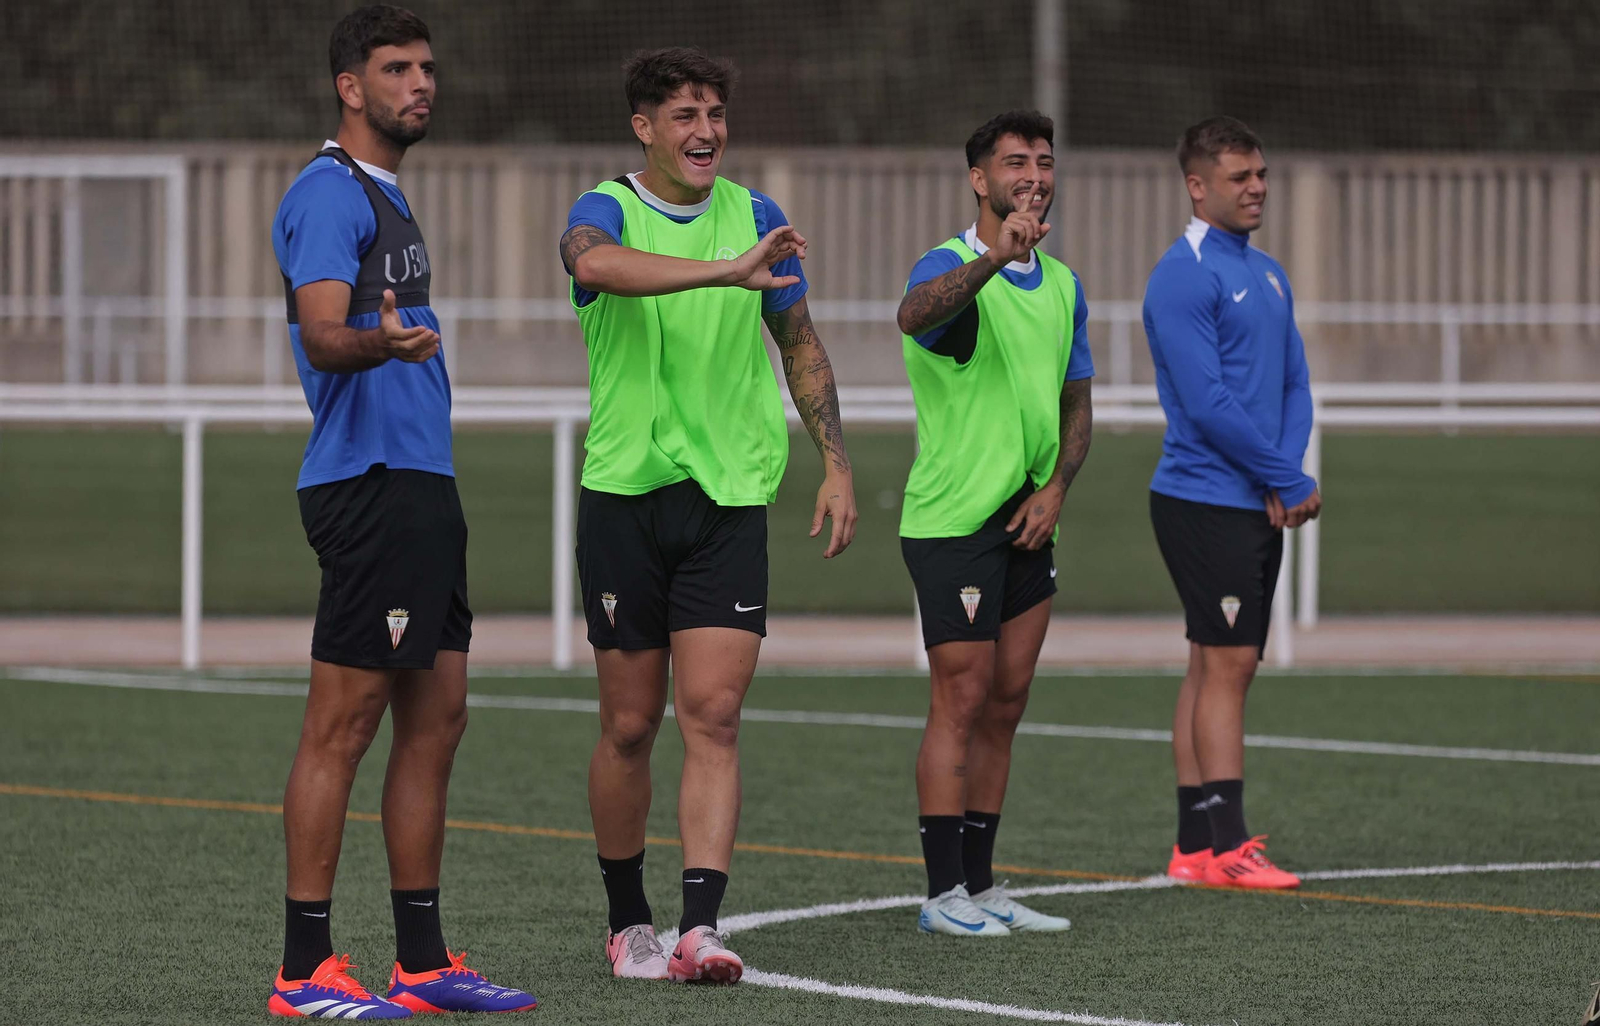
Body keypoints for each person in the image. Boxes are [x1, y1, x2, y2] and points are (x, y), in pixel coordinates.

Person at [558, 46, 857, 982]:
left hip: (729, 499)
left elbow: (799, 342)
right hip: (625, 497)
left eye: (716, 112)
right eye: (684, 115)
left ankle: (699, 927)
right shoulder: (603, 207)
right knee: (630, 726)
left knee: (715, 716)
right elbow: (597, 266)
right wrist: (724, 271)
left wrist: (836, 463)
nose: (705, 131)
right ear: (644, 128)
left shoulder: (759, 217)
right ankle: (626, 922)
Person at [268, 6, 534, 1017]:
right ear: (350, 86)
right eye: (397, 68)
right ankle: (303, 974)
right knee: (344, 725)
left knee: (440, 717)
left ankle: (421, 964)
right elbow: (325, 335)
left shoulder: (386, 195)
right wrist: (389, 344)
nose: (421, 83)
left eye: (427, 67)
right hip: (368, 481)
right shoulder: (328, 194)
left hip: (422, 482)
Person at [894, 110, 1093, 936]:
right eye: (1016, 162)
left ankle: (979, 887)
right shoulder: (948, 267)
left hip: (1029, 517)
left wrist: (1056, 489)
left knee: (1007, 703)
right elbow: (913, 315)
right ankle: (941, 895)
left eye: (1043, 162)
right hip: (952, 519)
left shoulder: (1064, 283)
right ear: (980, 179)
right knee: (962, 699)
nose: (1034, 175)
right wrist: (991, 259)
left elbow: (1077, 402)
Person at [1142, 115, 1321, 891]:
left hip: (1254, 496)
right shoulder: (1183, 276)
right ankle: (1228, 846)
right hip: (1202, 499)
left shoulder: (1270, 272)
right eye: (1239, 177)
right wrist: (1282, 476)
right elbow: (1208, 402)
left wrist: (1284, 470)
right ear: (1197, 185)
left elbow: (1294, 382)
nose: (1256, 189)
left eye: (1261, 175)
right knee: (1230, 665)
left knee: (1212, 666)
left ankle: (1193, 848)